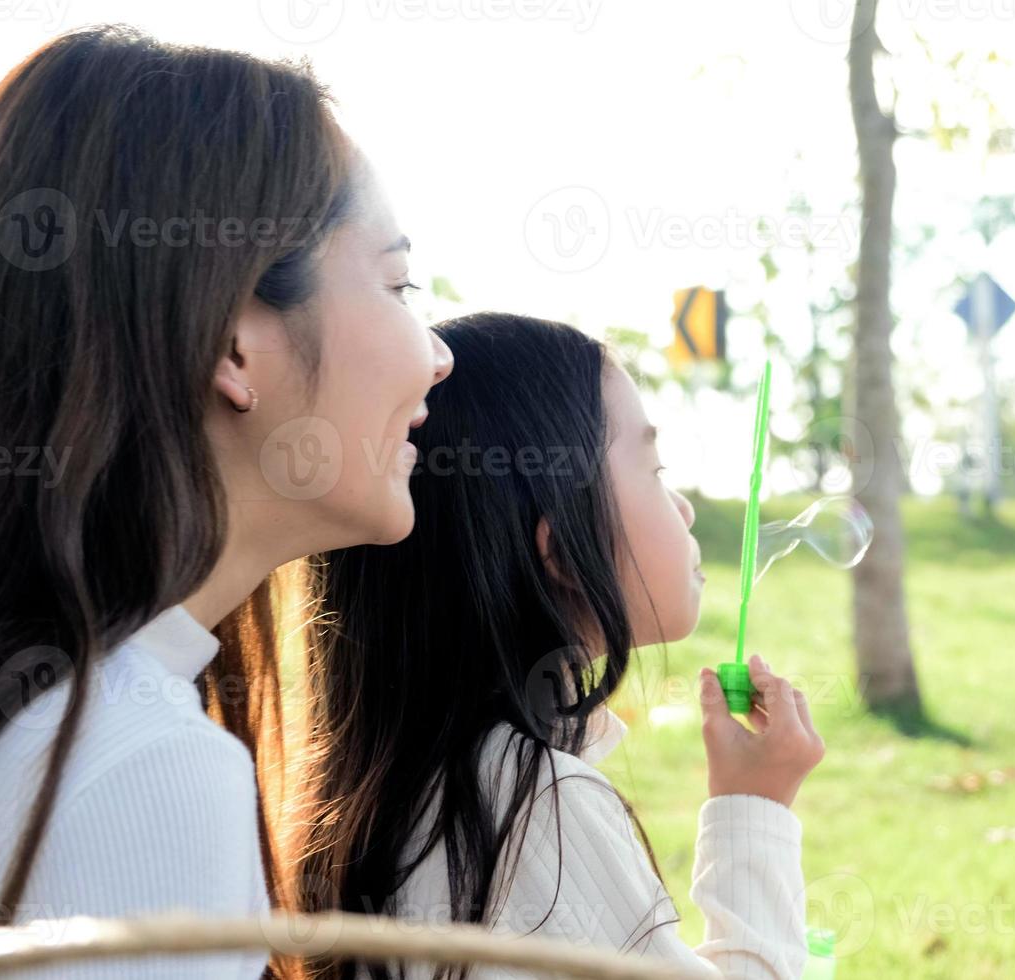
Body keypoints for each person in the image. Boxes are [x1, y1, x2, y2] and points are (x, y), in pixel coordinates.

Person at [0, 27, 453, 978]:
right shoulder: (138, 767)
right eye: (399, 284)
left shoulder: (23, 707)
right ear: (235, 347)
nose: (437, 354)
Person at [298, 313, 824, 979]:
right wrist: (755, 807)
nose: (685, 509)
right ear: (565, 553)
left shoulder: (396, 782)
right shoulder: (535, 809)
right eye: (655, 470)